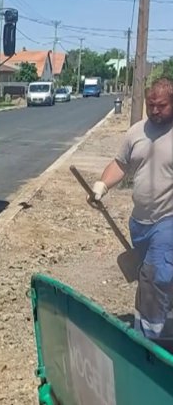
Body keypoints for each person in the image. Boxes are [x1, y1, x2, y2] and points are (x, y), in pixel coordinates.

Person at [90, 77, 173, 342]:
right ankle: (156, 322)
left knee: (155, 275)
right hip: (139, 223)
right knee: (147, 277)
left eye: (162, 106)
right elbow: (121, 165)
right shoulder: (136, 132)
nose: (155, 111)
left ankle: (151, 341)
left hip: (168, 220)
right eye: (151, 105)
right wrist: (102, 185)